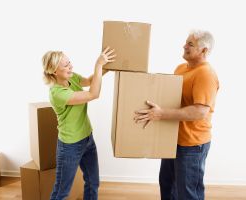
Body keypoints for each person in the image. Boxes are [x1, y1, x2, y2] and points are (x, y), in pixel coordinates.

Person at [134, 30, 219, 200]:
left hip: (192, 144)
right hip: (173, 139)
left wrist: (161, 114)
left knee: (187, 192)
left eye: (190, 44)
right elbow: (171, 98)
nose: (184, 46)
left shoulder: (206, 74)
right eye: (186, 42)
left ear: (204, 50)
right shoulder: (181, 68)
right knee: (167, 184)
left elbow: (199, 112)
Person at [42, 47, 116, 200]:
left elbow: (90, 81)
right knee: (61, 192)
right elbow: (93, 94)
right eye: (66, 65)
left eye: (70, 62)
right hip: (70, 146)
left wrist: (108, 67)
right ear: (54, 71)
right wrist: (98, 64)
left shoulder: (72, 78)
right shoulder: (57, 93)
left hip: (87, 138)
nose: (71, 67)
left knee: (93, 182)